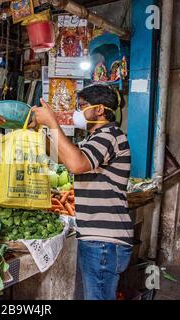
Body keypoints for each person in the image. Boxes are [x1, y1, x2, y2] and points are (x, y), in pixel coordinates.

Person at [31, 84, 132, 300]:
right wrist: (40, 130)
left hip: (104, 241)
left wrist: (53, 123)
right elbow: (62, 157)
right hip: (96, 238)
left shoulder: (109, 136)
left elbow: (76, 164)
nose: (78, 112)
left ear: (100, 109)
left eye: (82, 106)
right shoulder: (94, 139)